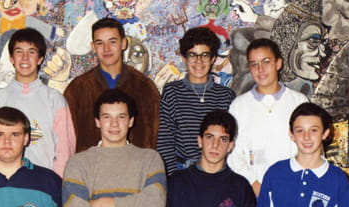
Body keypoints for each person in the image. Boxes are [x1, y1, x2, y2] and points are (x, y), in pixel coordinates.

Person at [0, 27, 76, 176]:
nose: (25, 58)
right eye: (19, 52)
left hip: (44, 180)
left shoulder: (55, 99)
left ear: (40, 59)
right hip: (2, 180)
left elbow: (65, 149)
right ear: (11, 58)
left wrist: (57, 180)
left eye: (31, 52)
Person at [63, 17, 159, 153]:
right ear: (93, 47)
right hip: (90, 164)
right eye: (100, 43)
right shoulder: (77, 89)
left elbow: (154, 136)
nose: (106, 49)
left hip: (134, 163)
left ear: (123, 43)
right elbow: (67, 140)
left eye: (112, 42)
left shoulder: (144, 87)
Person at [228, 38, 308, 195]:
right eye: (254, 64)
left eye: (266, 62)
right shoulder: (239, 106)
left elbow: (311, 146)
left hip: (294, 188)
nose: (260, 69)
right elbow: (233, 153)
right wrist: (254, 184)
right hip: (254, 191)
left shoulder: (298, 101)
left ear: (278, 63)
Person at [157, 27, 235, 174]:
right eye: (192, 55)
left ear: (213, 58)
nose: (198, 61)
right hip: (181, 170)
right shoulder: (172, 92)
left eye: (204, 55)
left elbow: (230, 141)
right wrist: (173, 177)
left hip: (216, 168)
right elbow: (164, 141)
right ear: (184, 58)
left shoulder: (225, 96)